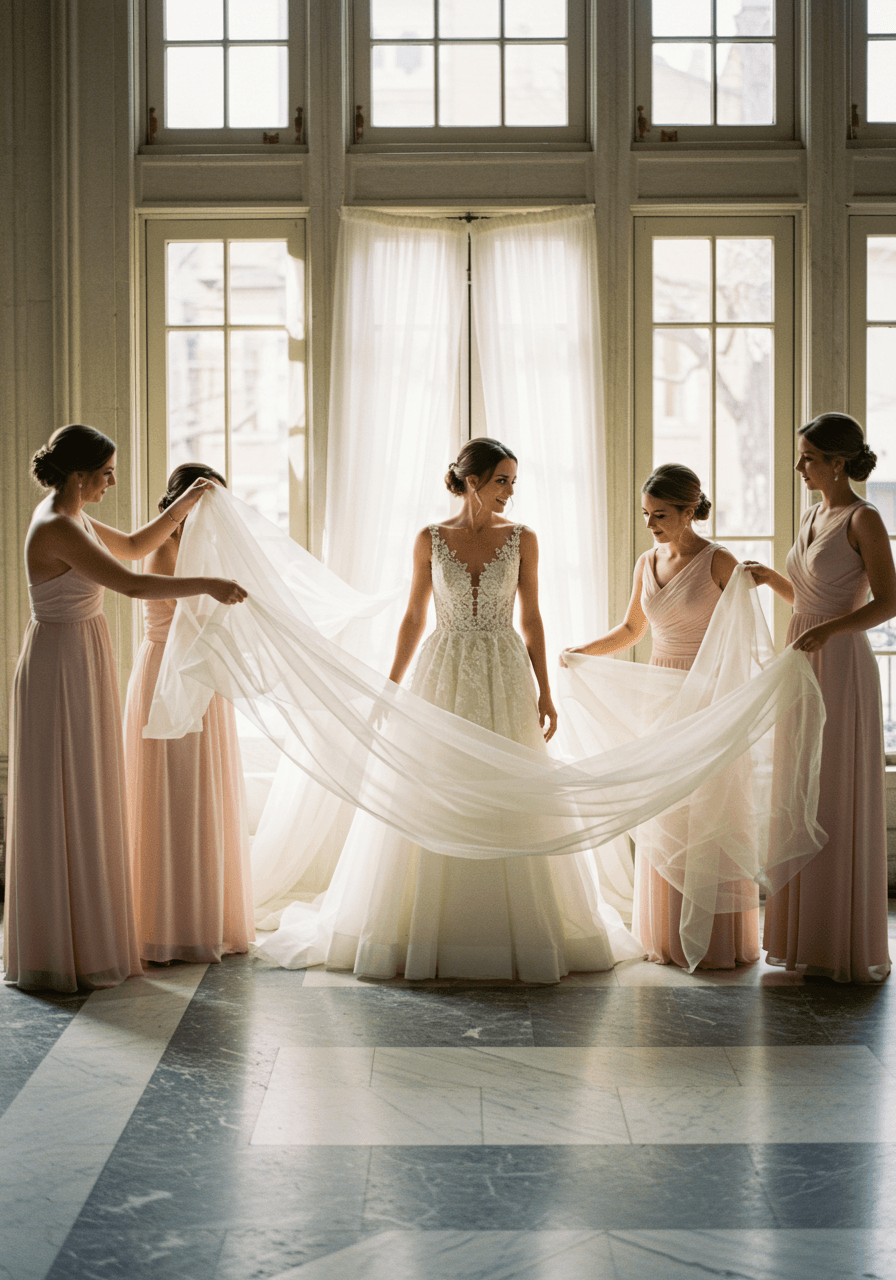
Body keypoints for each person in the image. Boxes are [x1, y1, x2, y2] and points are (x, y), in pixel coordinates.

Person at [253, 438, 641, 981]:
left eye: (513, 482)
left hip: (505, 674)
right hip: (442, 671)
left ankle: (516, 931)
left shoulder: (523, 539)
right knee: (435, 782)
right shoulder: (430, 538)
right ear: (472, 481)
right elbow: (414, 616)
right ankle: (424, 931)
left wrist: (545, 691)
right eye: (502, 480)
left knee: (509, 789)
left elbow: (532, 617)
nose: (510, 492)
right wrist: (390, 686)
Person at [3, 425, 246, 993]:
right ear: (80, 474)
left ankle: (85, 936)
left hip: (79, 655)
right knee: (67, 793)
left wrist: (187, 500)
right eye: (107, 473)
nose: (112, 482)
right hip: (60, 665)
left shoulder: (75, 517)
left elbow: (135, 545)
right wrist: (209, 582)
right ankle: (62, 946)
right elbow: (133, 584)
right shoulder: (58, 526)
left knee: (86, 792)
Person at [562, 463, 759, 971]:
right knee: (666, 809)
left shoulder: (720, 561)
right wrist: (582, 651)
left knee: (709, 808)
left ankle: (716, 941)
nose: (650, 524)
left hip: (706, 696)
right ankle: (664, 935)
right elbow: (632, 629)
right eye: (646, 514)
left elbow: (742, 637)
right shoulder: (646, 561)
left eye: (661, 515)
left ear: (690, 510)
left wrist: (724, 702)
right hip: (660, 697)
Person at [745, 413, 895, 982]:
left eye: (808, 457)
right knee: (800, 787)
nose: (798, 466)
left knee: (832, 786)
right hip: (803, 655)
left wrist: (831, 631)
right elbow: (811, 599)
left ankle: (841, 938)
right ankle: (803, 935)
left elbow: (889, 601)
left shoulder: (864, 518)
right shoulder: (812, 515)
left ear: (838, 461)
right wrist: (771, 580)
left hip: (840, 664)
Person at [123, 464, 255, 965]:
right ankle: (163, 923)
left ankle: (207, 918)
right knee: (168, 796)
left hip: (205, 678)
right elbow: (184, 614)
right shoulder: (163, 548)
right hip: (166, 675)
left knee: (204, 794)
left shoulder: (212, 550)